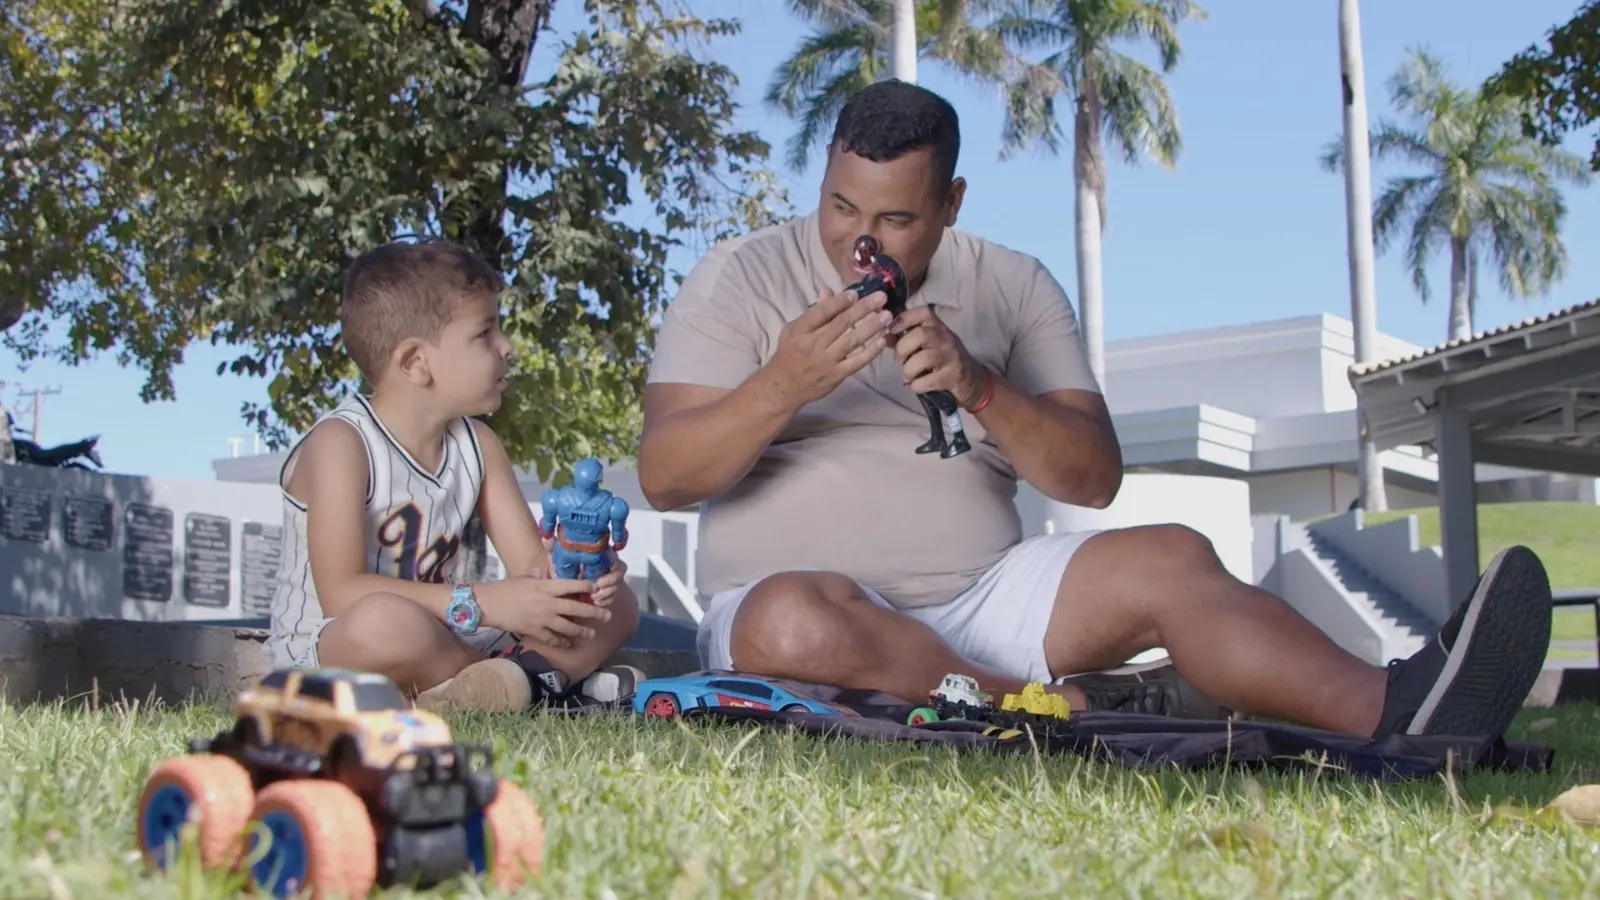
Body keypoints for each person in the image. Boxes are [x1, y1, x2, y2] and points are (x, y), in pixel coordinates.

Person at [635, 79, 1554, 741]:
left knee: (1171, 558)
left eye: (897, 220)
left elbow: (1094, 477)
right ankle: (1055, 707)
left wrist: (979, 386)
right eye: (840, 205)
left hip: (979, 599)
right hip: (792, 610)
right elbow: (667, 478)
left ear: (950, 203)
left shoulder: (1013, 286)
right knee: (791, 622)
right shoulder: (739, 276)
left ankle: (1403, 711)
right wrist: (782, 384)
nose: (860, 240)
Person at [260, 240, 643, 713]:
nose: (507, 347)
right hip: (333, 646)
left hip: (453, 635)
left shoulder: (478, 445)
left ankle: (502, 687)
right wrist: (487, 603)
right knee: (381, 624)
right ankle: (538, 684)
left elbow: (531, 570)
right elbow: (340, 594)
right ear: (415, 363)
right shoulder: (342, 443)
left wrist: (581, 574)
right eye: (485, 333)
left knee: (620, 603)